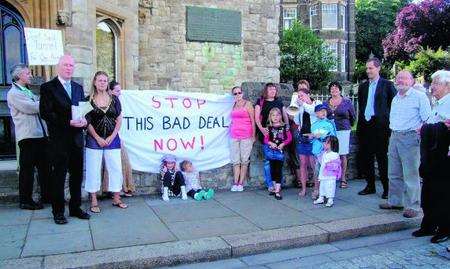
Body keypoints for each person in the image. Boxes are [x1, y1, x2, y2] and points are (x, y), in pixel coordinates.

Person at [39, 54, 90, 224]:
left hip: (76, 140)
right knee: (59, 177)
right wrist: (68, 122)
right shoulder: (48, 87)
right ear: (59, 67)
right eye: (66, 65)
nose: (69, 68)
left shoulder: (78, 87)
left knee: (76, 176)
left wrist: (85, 121)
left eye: (71, 65)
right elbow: (46, 113)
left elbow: (84, 109)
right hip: (59, 141)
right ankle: (58, 212)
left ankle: (75, 208)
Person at [378, 71, 431, 218]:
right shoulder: (396, 98)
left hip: (410, 137)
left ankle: (413, 206)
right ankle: (395, 201)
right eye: (398, 78)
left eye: (404, 78)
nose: (400, 80)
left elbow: (427, 118)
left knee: (411, 173)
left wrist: (418, 133)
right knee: (393, 172)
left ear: (412, 81)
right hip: (394, 136)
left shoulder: (419, 97)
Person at [412, 70, 450, 243]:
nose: (432, 86)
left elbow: (445, 129)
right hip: (432, 157)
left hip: (443, 157)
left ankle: (444, 228)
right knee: (429, 193)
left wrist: (426, 129)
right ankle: (429, 224)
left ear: (447, 86)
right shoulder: (438, 103)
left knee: (442, 194)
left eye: (436, 83)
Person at [7, 64, 50, 210]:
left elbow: (38, 104)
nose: (30, 75)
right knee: (27, 170)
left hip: (40, 135)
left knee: (45, 168)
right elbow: (31, 108)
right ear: (19, 76)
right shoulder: (14, 93)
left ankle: (47, 196)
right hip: (28, 137)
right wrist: (47, 102)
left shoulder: (27, 90)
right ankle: (25, 200)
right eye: (27, 73)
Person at [84, 71, 127, 213]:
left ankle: (116, 197)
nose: (102, 83)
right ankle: (94, 199)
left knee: (115, 167)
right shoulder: (88, 99)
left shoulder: (114, 99)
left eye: (105, 80)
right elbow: (87, 121)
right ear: (95, 82)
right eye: (100, 80)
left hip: (112, 138)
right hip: (93, 139)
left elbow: (119, 119)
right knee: (93, 168)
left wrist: (112, 136)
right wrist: (97, 137)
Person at [356, 57, 397, 199]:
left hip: (381, 126)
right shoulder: (363, 86)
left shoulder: (387, 85)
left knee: (382, 158)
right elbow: (361, 106)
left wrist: (391, 124)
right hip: (366, 125)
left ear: (378, 68)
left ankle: (387, 188)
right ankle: (370, 185)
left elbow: (394, 105)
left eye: (370, 68)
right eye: (367, 68)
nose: (368, 71)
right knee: (366, 157)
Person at [101, 81, 134, 197]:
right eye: (117, 91)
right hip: (106, 135)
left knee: (123, 162)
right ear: (109, 91)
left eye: (120, 91)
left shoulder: (116, 101)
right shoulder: (107, 101)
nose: (119, 93)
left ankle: (122, 187)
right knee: (113, 164)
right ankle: (113, 190)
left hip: (115, 135)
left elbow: (119, 120)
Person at [255, 83, 289, 193]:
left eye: (274, 89)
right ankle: (270, 185)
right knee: (268, 162)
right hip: (266, 135)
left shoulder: (279, 102)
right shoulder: (261, 101)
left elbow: (284, 115)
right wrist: (262, 129)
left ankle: (277, 183)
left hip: (279, 137)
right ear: (266, 91)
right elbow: (256, 118)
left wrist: (287, 126)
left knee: (278, 161)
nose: (273, 91)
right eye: (270, 89)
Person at [323, 81, 355, 188]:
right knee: (330, 154)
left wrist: (348, 125)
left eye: (336, 87)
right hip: (330, 131)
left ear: (340, 90)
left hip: (343, 130)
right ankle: (331, 176)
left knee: (342, 154)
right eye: (332, 88)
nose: (334, 89)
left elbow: (353, 117)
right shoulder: (325, 103)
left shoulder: (347, 102)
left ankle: (343, 178)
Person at [293, 80, 322, 197]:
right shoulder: (300, 106)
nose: (300, 98)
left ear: (308, 94)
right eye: (298, 96)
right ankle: (304, 189)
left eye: (302, 95)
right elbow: (296, 121)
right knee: (303, 164)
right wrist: (296, 108)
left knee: (313, 164)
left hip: (313, 138)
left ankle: (316, 188)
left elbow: (314, 112)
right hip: (302, 137)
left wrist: (303, 105)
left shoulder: (316, 103)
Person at [308, 104, 337, 199]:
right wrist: (311, 137)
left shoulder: (330, 123)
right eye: (321, 111)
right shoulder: (314, 125)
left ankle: (327, 192)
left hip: (327, 152)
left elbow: (333, 137)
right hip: (317, 151)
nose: (323, 112)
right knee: (317, 172)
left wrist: (324, 137)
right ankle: (317, 190)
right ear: (316, 113)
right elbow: (311, 139)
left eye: (324, 110)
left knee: (327, 172)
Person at [229, 86, 255, 192]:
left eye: (239, 93)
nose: (237, 95)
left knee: (244, 160)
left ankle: (241, 183)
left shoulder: (247, 104)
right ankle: (235, 183)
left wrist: (253, 135)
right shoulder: (233, 105)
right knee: (235, 161)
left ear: (242, 93)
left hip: (246, 135)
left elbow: (253, 120)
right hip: (234, 135)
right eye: (235, 93)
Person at [263, 107, 292, 200]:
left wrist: (283, 144)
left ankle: (277, 191)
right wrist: (270, 143)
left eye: (277, 115)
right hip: (271, 151)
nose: (275, 117)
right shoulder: (269, 128)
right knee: (272, 170)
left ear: (280, 116)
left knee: (278, 170)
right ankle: (275, 189)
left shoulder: (284, 127)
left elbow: (289, 138)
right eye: (273, 115)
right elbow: (266, 139)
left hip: (279, 152)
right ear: (270, 117)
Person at [313, 136, 341, 207]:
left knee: (330, 187)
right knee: (322, 186)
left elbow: (332, 164)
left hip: (330, 175)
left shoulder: (334, 154)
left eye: (327, 143)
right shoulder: (325, 153)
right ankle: (321, 197)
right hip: (323, 174)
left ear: (332, 145)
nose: (324, 144)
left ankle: (330, 199)